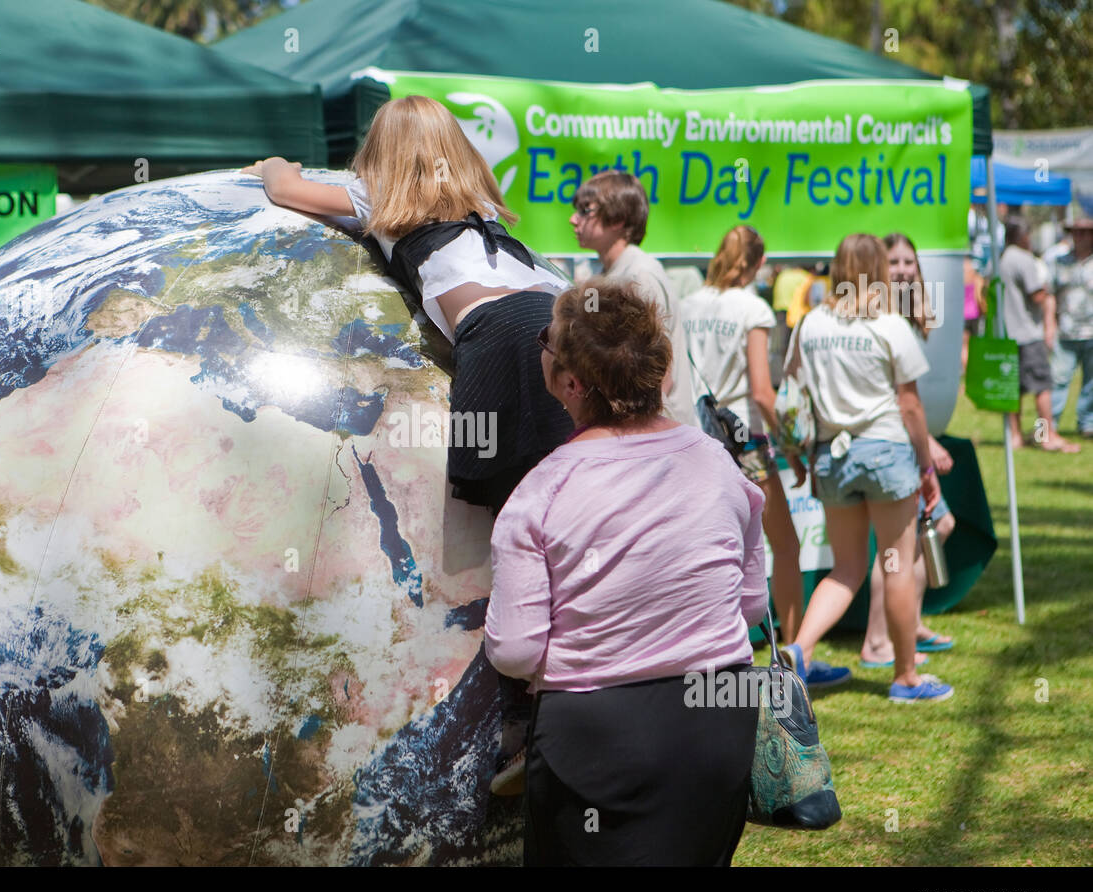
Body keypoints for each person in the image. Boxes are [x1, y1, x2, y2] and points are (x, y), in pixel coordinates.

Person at [484, 277, 765, 865]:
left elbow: (515, 649)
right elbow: (751, 606)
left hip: (598, 736)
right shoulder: (717, 463)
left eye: (546, 340)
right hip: (720, 719)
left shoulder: (540, 492)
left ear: (569, 381)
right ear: (661, 372)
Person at [242, 94, 575, 511]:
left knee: (511, 489)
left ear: (382, 149)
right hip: (564, 313)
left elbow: (285, 190)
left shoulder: (376, 194)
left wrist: (275, 164)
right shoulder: (477, 200)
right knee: (575, 471)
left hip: (501, 327)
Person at [782, 233, 951, 702]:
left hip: (831, 457)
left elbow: (792, 392)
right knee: (895, 565)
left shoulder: (811, 323)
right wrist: (926, 466)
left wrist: (794, 451)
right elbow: (911, 406)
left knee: (846, 568)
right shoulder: (890, 324)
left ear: (837, 268)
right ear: (877, 268)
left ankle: (799, 649)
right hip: (886, 454)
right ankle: (904, 677)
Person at [680, 225, 805, 647]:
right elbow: (762, 391)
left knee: (708, 549)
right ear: (758, 263)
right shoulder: (753, 309)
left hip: (698, 437)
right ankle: (795, 650)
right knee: (784, 544)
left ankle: (709, 646)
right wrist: (791, 444)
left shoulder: (687, 304)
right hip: (745, 441)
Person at [860, 234, 958, 668]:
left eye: (908, 262)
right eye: (893, 261)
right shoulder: (881, 316)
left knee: (924, 535)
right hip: (893, 446)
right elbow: (891, 396)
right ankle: (879, 641)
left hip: (904, 444)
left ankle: (907, 624)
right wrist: (928, 444)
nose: (902, 269)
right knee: (901, 548)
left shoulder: (907, 312)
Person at [568, 170, 698, 428]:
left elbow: (660, 374)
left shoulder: (640, 275)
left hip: (654, 439)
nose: (574, 220)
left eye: (585, 210)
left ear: (618, 219)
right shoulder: (610, 273)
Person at [999, 219, 1079, 452]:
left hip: (1005, 334)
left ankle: (1014, 437)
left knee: (1012, 389)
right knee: (1042, 388)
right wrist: (1050, 290)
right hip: (1027, 333)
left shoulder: (1001, 258)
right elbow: (1036, 295)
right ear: (1023, 235)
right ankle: (1046, 436)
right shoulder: (1023, 259)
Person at [1050, 219, 1093, 438]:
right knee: (1056, 380)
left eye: (1086, 233)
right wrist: (1049, 327)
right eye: (1078, 232)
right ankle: (1048, 427)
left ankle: (1087, 425)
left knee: (1091, 383)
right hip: (1065, 331)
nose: (1082, 237)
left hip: (1091, 332)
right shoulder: (1059, 262)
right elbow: (1049, 296)